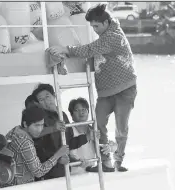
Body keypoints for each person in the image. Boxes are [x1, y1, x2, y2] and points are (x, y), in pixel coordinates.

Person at [46, 4, 137, 172]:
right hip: (106, 92)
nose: (94, 30)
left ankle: (119, 162)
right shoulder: (105, 35)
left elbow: (90, 49)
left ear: (106, 22)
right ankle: (105, 162)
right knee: (99, 124)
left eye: (96, 26)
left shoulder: (113, 36)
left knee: (121, 128)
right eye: (92, 26)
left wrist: (66, 49)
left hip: (125, 89)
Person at [31, 83, 90, 179]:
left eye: (47, 96)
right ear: (38, 103)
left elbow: (69, 143)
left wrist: (87, 137)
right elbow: (37, 143)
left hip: (65, 171)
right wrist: (57, 159)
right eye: (41, 100)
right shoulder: (40, 118)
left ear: (54, 96)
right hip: (47, 174)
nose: (46, 101)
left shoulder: (63, 115)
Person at [5, 106, 70, 186]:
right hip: (21, 186)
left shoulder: (15, 131)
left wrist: (54, 128)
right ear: (25, 124)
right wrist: (58, 155)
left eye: (42, 125)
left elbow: (37, 133)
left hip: (9, 182)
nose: (39, 129)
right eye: (36, 125)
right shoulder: (25, 143)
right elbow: (39, 172)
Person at [68, 98, 117, 174]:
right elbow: (65, 151)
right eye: (77, 110)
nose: (81, 112)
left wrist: (109, 148)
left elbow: (114, 147)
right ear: (72, 115)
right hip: (73, 175)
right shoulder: (69, 130)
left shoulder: (93, 129)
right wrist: (77, 161)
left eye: (84, 109)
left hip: (91, 173)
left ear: (88, 112)